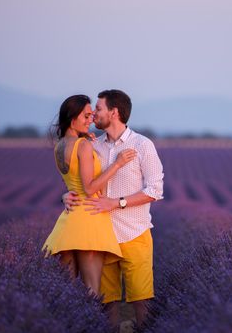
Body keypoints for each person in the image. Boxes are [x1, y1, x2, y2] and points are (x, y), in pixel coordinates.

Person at [63, 89, 164, 329]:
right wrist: (65, 195)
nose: (93, 115)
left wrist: (116, 203)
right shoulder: (93, 146)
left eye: (98, 109)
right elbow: (83, 183)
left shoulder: (142, 145)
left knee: (141, 300)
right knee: (106, 302)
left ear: (114, 112)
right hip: (102, 235)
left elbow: (155, 191)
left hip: (135, 233)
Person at [42, 94, 137, 299]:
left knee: (65, 295)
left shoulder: (59, 146)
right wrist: (118, 164)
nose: (90, 120)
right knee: (92, 293)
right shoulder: (83, 146)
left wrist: (64, 195)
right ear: (72, 117)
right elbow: (89, 188)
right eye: (86, 116)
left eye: (92, 115)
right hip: (90, 219)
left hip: (69, 222)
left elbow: (73, 182)